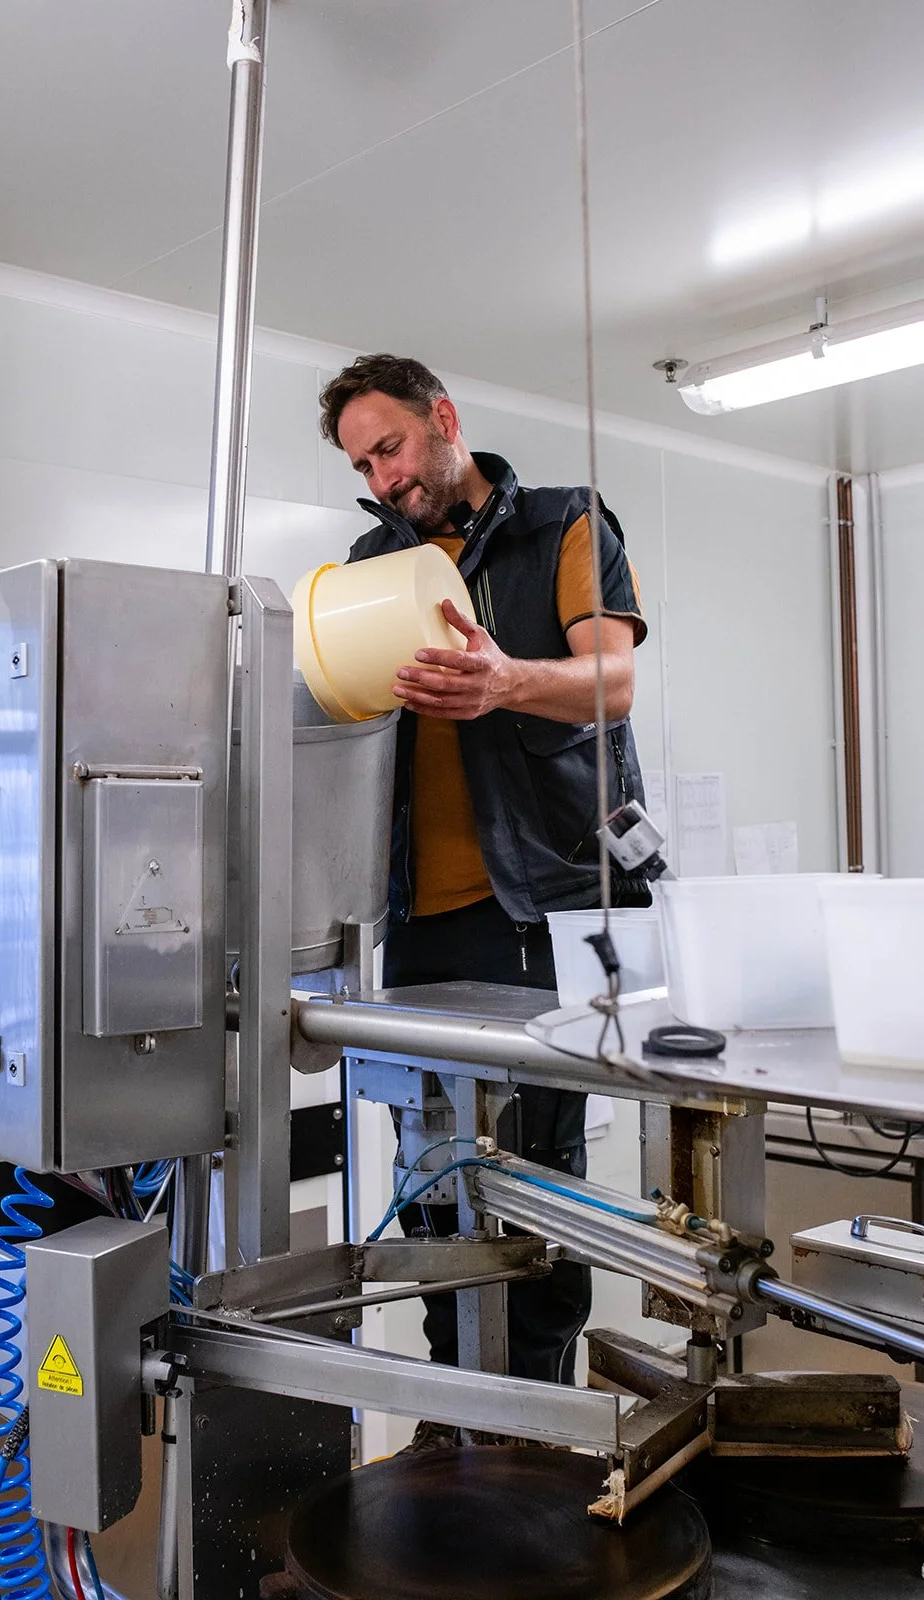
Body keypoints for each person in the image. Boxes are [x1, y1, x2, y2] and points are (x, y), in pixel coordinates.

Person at [318, 353, 651, 1443]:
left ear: (442, 420)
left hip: (541, 907)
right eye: (362, 463)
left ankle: (535, 1428)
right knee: (431, 1182)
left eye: (391, 446)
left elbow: (612, 681)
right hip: (418, 925)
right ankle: (456, 1421)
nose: (381, 477)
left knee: (533, 1181)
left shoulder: (560, 525)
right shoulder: (374, 561)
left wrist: (507, 678)